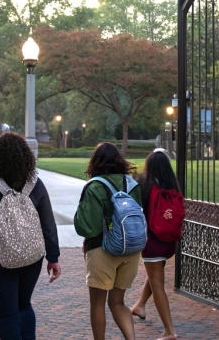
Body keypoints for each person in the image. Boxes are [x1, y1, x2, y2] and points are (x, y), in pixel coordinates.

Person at [0, 132, 61, 340]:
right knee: (24, 305)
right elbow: (48, 222)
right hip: (32, 255)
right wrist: (53, 257)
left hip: (0, 258)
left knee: (7, 314)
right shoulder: (35, 183)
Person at [74, 142, 142, 340]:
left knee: (97, 304)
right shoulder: (132, 184)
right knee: (118, 302)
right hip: (131, 249)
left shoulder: (95, 186)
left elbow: (88, 227)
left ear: (94, 162)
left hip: (102, 250)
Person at [129, 149, 178, 340]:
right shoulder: (172, 185)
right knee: (155, 275)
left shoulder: (145, 184)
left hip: (152, 240)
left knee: (157, 283)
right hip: (169, 240)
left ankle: (169, 331)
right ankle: (140, 305)